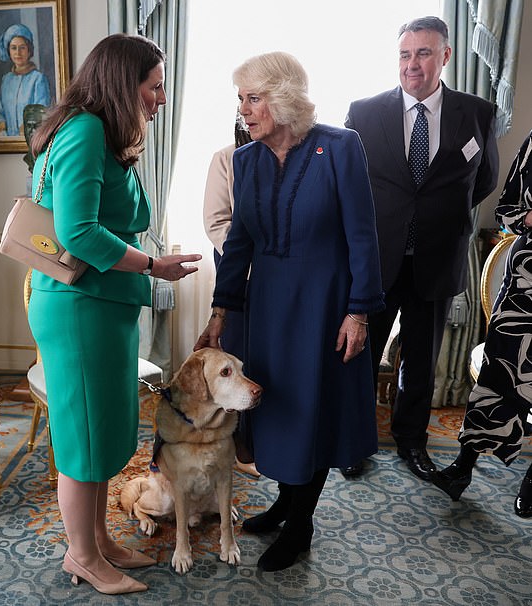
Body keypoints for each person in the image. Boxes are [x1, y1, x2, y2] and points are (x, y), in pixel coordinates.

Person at [195, 51, 384, 572]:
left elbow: (363, 236)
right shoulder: (246, 160)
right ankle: (284, 501)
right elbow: (237, 246)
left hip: (325, 306)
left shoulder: (340, 146)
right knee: (274, 409)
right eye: (241, 100)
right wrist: (219, 314)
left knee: (314, 411)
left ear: (282, 100)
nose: (245, 111)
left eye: (253, 99)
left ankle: (301, 523)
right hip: (269, 308)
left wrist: (359, 312)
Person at [27, 34, 201, 595]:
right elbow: (76, 231)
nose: (161, 98)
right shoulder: (83, 131)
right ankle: (81, 556)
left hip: (102, 307)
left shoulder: (95, 129)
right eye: (154, 86)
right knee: (82, 440)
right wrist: (153, 265)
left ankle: (98, 539)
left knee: (100, 433)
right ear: (125, 85)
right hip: (81, 311)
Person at [344, 16, 499, 481]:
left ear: (445, 56)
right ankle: (355, 440)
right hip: (375, 260)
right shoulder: (364, 112)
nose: (413, 64)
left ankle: (411, 442)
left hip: (436, 259)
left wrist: (436, 219)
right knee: (363, 356)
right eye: (405, 55)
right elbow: (348, 185)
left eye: (424, 53)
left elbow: (484, 181)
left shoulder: (476, 113)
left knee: (421, 361)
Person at [433, 130, 532, 518]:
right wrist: (528, 216)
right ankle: (463, 467)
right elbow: (506, 207)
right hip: (526, 283)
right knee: (498, 372)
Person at [202, 113, 258, 477]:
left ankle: (268, 441)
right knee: (238, 358)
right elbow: (216, 221)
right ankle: (240, 446)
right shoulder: (225, 158)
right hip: (239, 278)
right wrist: (248, 258)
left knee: (268, 363)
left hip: (282, 282)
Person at [0, 23, 51, 137]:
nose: (18, 53)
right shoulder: (6, 80)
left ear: (29, 50)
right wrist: (4, 136)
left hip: (32, 142)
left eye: (22, 47)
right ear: (8, 51)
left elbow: (42, 114)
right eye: (13, 48)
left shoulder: (38, 79)